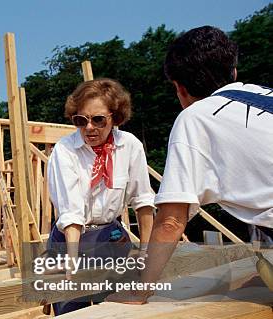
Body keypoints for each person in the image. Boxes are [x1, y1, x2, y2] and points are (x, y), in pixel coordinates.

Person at [108, 26, 273, 304]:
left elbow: (171, 221)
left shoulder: (196, 117)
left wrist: (140, 291)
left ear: (180, 88)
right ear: (233, 72)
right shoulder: (265, 95)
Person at [47, 78, 155, 315]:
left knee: (122, 311)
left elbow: (143, 202)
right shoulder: (64, 151)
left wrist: (147, 254)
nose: (88, 128)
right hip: (70, 239)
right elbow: (71, 213)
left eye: (98, 120)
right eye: (80, 120)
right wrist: (73, 263)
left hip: (110, 236)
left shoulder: (130, 146)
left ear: (115, 118)